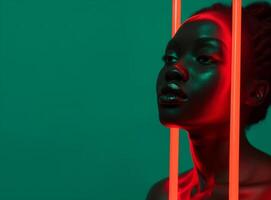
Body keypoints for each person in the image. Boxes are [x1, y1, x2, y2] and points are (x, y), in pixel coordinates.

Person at [146, 2, 271, 200]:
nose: (174, 69)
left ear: (255, 92)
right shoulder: (165, 194)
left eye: (204, 58)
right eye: (170, 58)